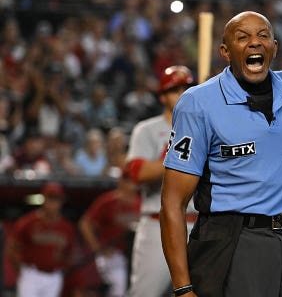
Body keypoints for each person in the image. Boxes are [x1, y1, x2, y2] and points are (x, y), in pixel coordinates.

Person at [159, 11, 282, 297]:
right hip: (234, 239)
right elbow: (173, 202)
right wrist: (182, 287)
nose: (254, 43)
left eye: (263, 36)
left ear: (274, 47)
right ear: (225, 51)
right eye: (243, 37)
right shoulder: (198, 103)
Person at [125, 65, 197, 297]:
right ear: (163, 96)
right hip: (158, 225)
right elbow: (138, 174)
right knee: (145, 293)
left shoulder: (204, 129)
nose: (183, 93)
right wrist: (179, 153)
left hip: (200, 225)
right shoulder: (147, 130)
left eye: (187, 88)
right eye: (176, 89)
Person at [78, 166, 141, 297]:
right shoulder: (108, 201)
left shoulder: (141, 202)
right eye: (128, 179)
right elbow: (85, 224)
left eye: (133, 179)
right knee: (118, 289)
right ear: (121, 181)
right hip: (112, 254)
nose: (131, 183)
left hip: (133, 255)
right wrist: (98, 248)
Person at [6, 182, 76, 297]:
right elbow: (12, 249)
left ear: (62, 201)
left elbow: (70, 254)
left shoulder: (67, 227)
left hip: (54, 275)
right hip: (31, 273)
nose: (53, 203)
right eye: (50, 198)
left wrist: (62, 268)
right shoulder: (28, 222)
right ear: (44, 199)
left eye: (57, 199)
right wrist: (23, 271)